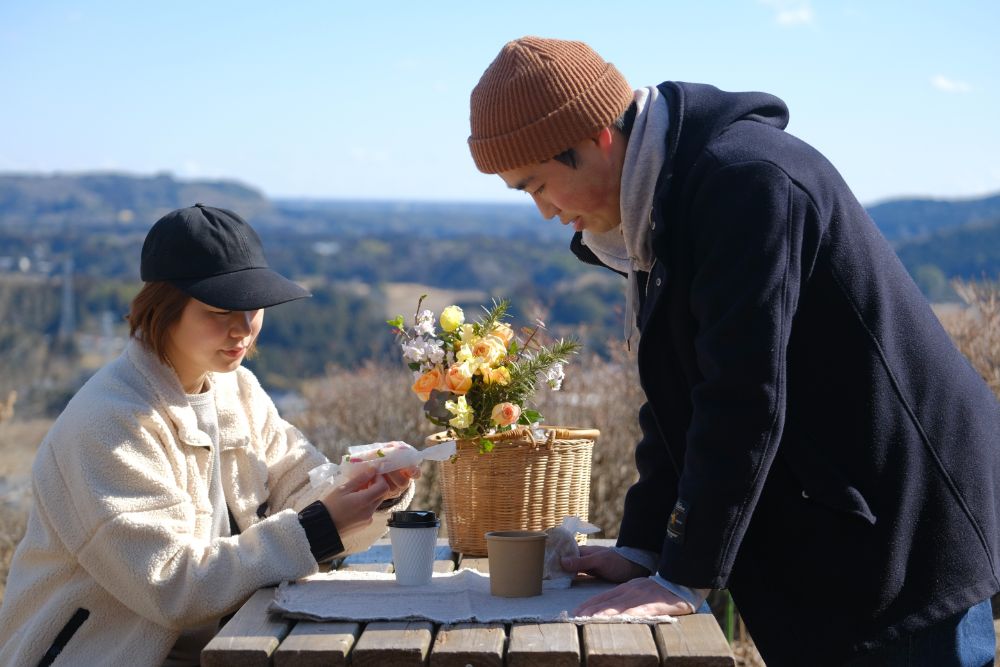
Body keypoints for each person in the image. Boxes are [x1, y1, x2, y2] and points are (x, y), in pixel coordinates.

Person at [467, 36, 1000, 666]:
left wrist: (683, 577)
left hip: (902, 534)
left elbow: (742, 395)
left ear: (595, 138)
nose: (544, 212)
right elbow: (680, 392)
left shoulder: (743, 183)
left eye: (538, 185)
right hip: (841, 520)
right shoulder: (663, 200)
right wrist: (642, 545)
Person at [0, 204, 419, 666]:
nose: (242, 329)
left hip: (233, 645)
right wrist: (322, 525)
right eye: (220, 311)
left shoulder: (236, 388)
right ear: (163, 308)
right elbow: (172, 586)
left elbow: (301, 490)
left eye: (253, 306)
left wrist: (369, 489)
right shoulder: (109, 424)